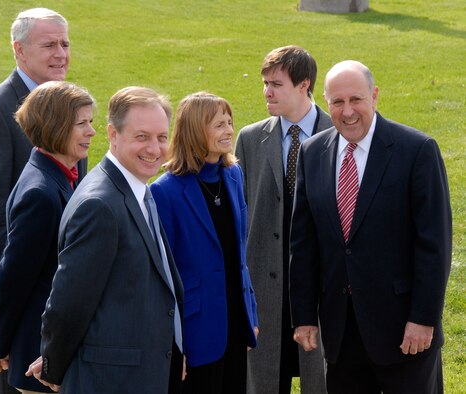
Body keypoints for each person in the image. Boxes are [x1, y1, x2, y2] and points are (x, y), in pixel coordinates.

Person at [289, 60, 452, 393]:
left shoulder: (417, 151)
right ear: (325, 101)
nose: (347, 111)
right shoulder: (312, 153)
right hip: (341, 332)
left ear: (374, 96)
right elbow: (303, 243)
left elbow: (434, 246)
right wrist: (304, 314)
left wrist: (423, 319)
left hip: (404, 333)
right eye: (337, 102)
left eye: (356, 100)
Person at [25, 86, 184, 394]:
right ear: (113, 134)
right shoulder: (100, 205)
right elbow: (68, 303)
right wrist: (53, 366)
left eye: (162, 137)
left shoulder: (138, 188)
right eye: (142, 137)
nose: (155, 148)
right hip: (113, 382)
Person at [0, 8, 85, 393]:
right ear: (18, 49)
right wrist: (2, 306)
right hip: (20, 297)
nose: (61, 54)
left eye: (65, 44)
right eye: (49, 45)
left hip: (62, 292)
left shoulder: (69, 106)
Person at [0, 81, 95, 394]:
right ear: (56, 127)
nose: (91, 132)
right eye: (81, 123)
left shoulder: (56, 174)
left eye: (91, 122)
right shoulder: (40, 194)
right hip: (39, 355)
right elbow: (14, 277)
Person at [235, 45, 330, 394]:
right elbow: (240, 210)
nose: (267, 92)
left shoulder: (338, 133)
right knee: (263, 378)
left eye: (276, 84)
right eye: (264, 83)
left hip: (320, 283)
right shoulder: (249, 138)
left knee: (320, 377)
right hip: (265, 283)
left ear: (304, 84)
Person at [151, 92, 259, 394]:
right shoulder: (165, 192)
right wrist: (174, 344)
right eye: (218, 125)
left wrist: (250, 310)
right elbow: (163, 276)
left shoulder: (233, 174)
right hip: (195, 330)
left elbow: (239, 253)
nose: (228, 131)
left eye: (229, 122)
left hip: (236, 322)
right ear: (195, 131)